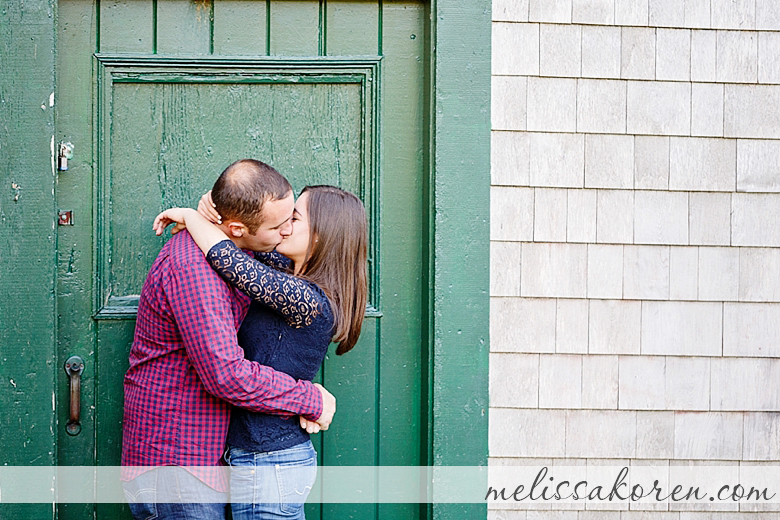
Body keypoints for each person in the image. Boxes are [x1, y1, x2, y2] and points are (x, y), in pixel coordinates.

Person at [121, 159, 336, 520]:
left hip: (207, 457)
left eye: (292, 219)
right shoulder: (194, 269)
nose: (286, 231)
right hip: (178, 463)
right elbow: (226, 375)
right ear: (237, 227)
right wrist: (309, 398)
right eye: (280, 224)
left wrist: (202, 210)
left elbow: (244, 208)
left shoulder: (243, 252)